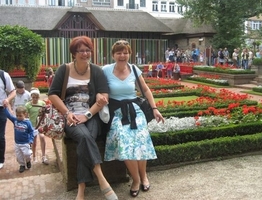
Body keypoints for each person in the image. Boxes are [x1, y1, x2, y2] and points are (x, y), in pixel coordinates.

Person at [48, 36, 118, 200]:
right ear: (74, 53)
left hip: (91, 115)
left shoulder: (96, 71)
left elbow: (104, 94)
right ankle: (101, 179)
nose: (85, 53)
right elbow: (52, 94)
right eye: (81, 51)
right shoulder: (63, 70)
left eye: (88, 50)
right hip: (71, 116)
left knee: (85, 141)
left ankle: (81, 189)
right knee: (86, 138)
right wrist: (67, 113)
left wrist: (87, 114)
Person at [102, 40, 165, 198]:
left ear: (129, 54)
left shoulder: (134, 69)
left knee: (140, 140)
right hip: (117, 113)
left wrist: (155, 108)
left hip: (136, 111)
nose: (122, 55)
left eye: (125, 52)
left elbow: (144, 89)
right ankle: (136, 180)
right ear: (113, 55)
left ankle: (144, 176)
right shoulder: (106, 70)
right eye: (119, 52)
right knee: (124, 140)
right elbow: (99, 89)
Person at [5, 106, 34, 173]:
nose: (18, 117)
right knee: (19, 156)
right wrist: (4, 107)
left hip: (25, 142)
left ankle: (28, 161)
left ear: (25, 114)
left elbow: (31, 132)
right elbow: (9, 115)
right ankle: (22, 165)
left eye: (20, 116)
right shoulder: (15, 120)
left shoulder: (27, 123)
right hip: (17, 143)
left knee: (27, 154)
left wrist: (30, 140)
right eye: (17, 115)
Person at [25, 88, 47, 164]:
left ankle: (44, 156)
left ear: (39, 97)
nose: (35, 99)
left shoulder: (42, 103)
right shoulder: (28, 105)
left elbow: (45, 114)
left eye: (36, 97)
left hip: (40, 124)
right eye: (33, 97)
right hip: (32, 125)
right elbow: (26, 116)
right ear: (31, 96)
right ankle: (34, 156)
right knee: (34, 142)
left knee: (42, 137)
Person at [0, 69, 16, 170]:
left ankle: (0, 160)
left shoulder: (3, 75)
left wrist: (8, 99)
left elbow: (13, 91)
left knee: (0, 136)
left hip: (1, 108)